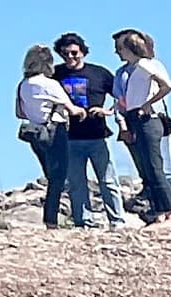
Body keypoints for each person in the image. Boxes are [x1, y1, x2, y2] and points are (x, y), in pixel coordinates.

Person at [109, 27, 171, 225]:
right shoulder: (127, 70)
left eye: (120, 48)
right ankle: (161, 212)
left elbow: (167, 85)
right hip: (135, 118)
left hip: (149, 118)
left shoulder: (145, 65)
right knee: (148, 170)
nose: (117, 52)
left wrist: (148, 103)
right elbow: (121, 99)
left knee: (156, 168)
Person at [46, 34, 119, 228]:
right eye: (65, 54)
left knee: (107, 180)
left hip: (97, 134)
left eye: (74, 53)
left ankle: (116, 221)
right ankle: (83, 221)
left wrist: (108, 111)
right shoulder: (55, 74)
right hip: (69, 137)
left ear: (83, 52)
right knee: (76, 183)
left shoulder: (100, 73)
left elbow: (122, 95)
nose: (70, 57)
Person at [15, 46, 76, 226]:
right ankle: (51, 219)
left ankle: (50, 219)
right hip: (55, 130)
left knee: (50, 175)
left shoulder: (23, 85)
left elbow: (19, 113)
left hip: (35, 133)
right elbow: (72, 108)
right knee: (58, 176)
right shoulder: (50, 84)